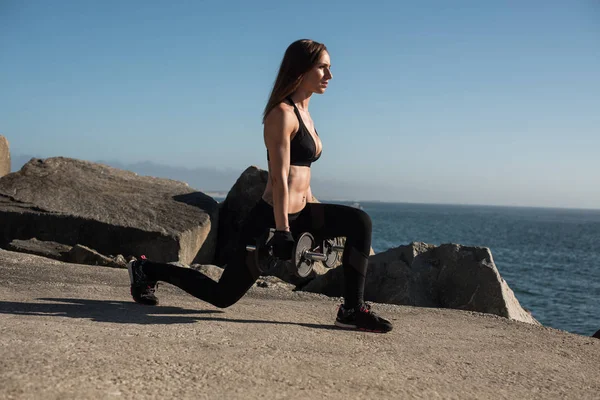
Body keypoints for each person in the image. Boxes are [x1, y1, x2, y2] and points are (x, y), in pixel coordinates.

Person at [127, 39, 393, 333]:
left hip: (303, 213)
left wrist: (321, 223)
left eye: (329, 68)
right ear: (301, 69)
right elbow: (279, 179)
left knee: (359, 222)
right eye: (322, 68)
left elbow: (301, 177)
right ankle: (146, 269)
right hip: (270, 221)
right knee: (222, 296)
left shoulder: (306, 114)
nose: (329, 76)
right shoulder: (281, 114)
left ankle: (352, 308)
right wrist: (282, 232)